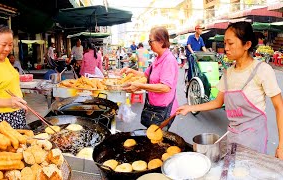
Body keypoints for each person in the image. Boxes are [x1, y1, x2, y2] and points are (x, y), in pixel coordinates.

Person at [176, 22, 283, 159]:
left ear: (247, 45)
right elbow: (217, 102)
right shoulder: (228, 73)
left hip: (254, 139)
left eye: (230, 43)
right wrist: (190, 107)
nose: (226, 48)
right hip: (233, 136)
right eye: (224, 43)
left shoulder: (261, 70)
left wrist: (281, 145)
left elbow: (279, 107)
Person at [121, 26, 179, 130]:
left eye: (150, 41)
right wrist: (131, 71)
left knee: (157, 139)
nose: (149, 43)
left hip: (164, 110)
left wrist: (140, 86)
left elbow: (165, 87)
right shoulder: (157, 58)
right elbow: (146, 75)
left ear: (161, 41)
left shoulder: (168, 60)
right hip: (154, 107)